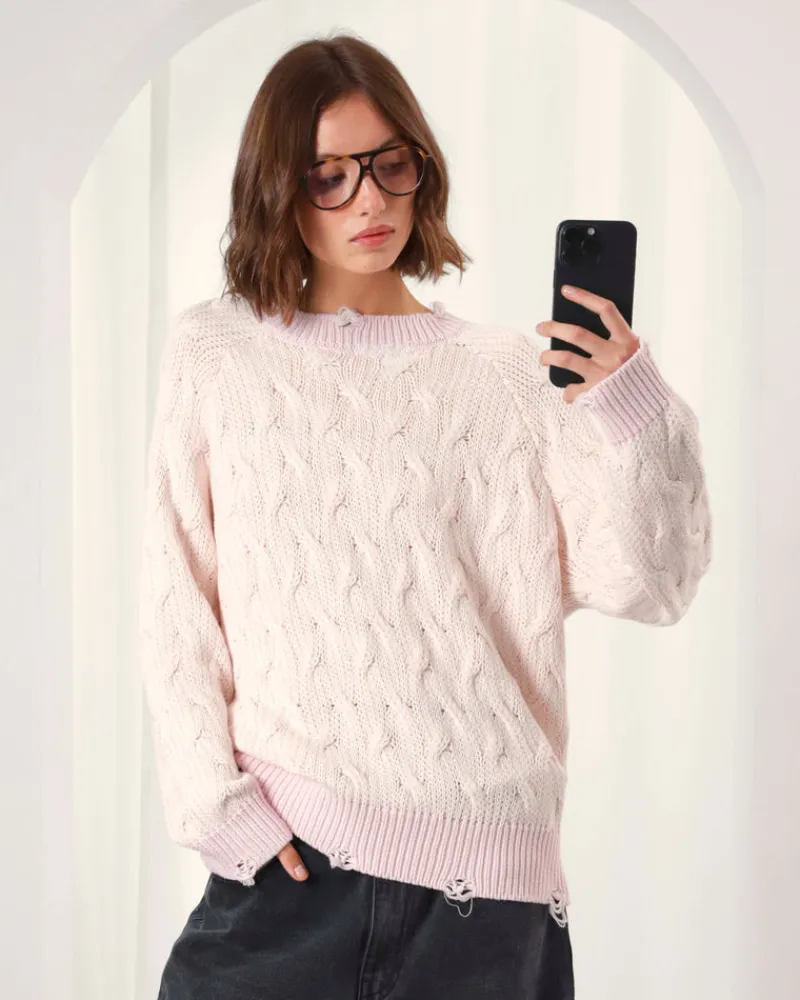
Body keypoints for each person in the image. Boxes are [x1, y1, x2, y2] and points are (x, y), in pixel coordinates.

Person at [138, 31, 712, 1000]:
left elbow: (650, 584)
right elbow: (176, 603)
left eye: (388, 165)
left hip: (485, 901)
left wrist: (630, 405)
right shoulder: (215, 354)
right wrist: (220, 811)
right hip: (286, 871)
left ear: (421, 169)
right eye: (328, 176)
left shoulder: (507, 376)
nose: (368, 200)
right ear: (277, 188)